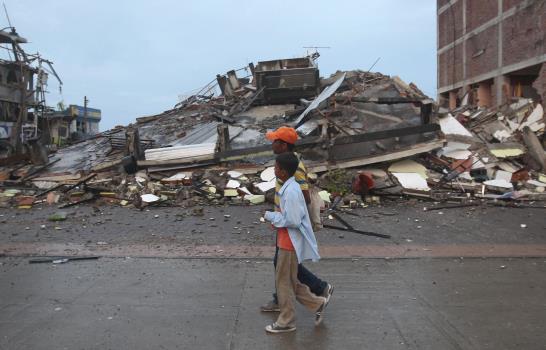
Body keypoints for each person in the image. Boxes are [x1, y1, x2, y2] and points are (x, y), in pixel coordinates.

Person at [261, 126, 334, 313]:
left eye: (275, 141)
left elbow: (304, 197)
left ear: (284, 145)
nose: (272, 144)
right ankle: (292, 297)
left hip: (289, 222)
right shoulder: (288, 164)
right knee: (284, 263)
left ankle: (318, 289)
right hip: (284, 220)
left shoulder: (296, 168)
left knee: (284, 264)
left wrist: (282, 214)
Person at [263, 152, 328, 333]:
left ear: (283, 172)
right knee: (291, 282)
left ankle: (286, 321)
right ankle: (317, 304)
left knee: (284, 283)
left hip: (288, 244)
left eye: (276, 167)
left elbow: (291, 220)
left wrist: (270, 216)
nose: (274, 170)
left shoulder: (291, 191)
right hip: (288, 241)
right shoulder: (290, 186)